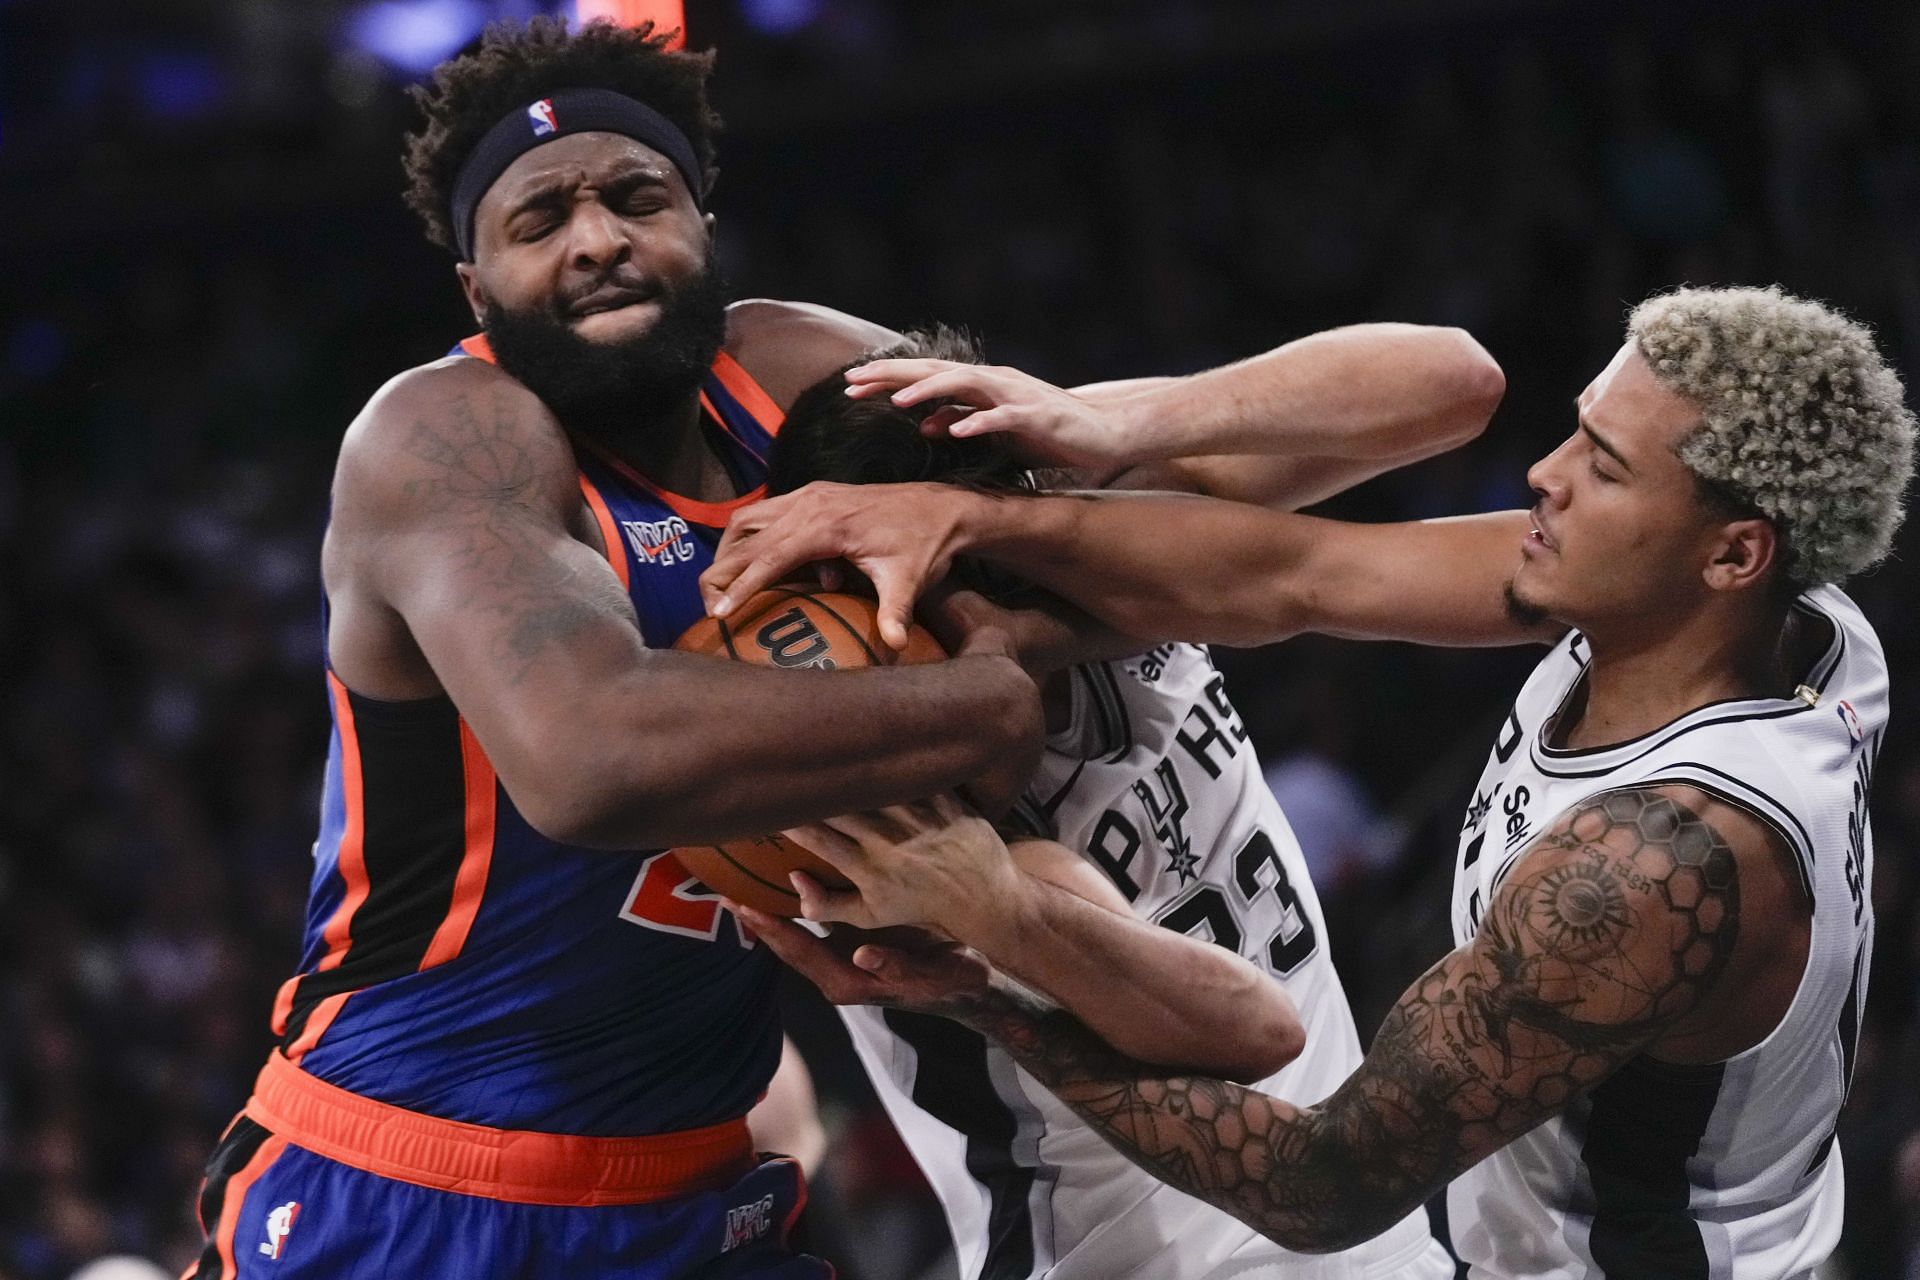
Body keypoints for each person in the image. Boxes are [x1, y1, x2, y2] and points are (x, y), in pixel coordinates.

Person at [710, 285, 1914, 1277]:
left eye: (1601, 465)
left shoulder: (1651, 856)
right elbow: (1318, 554)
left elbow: (1318, 1171)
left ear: (1730, 553)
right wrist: (1099, 441)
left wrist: (987, 983)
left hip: (1408, 1214)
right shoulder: (1778, 623)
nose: (1542, 477)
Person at [181, 18, 1062, 1279]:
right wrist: (985, 701)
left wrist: (1012, 549)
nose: (598, 239)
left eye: (637, 196)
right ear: (477, 295)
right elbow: (595, 759)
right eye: (540, 223)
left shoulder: (795, 379)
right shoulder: (445, 435)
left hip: (695, 1197)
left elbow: (1096, 500)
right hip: (413, 1191)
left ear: (701, 223)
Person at [758, 323, 1504, 1279]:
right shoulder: (882, 781)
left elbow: (1453, 382)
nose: (977, 612)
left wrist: (1109, 422)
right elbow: (1256, 1033)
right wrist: (1000, 908)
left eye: (976, 546)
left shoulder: (1111, 542)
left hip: (1372, 1246)